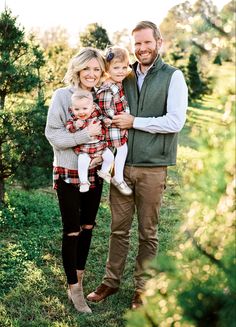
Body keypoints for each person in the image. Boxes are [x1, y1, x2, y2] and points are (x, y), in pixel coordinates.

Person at [87, 21, 188, 309]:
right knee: (118, 229)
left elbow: (175, 121)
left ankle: (142, 288)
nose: (142, 48)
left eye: (147, 42)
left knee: (148, 231)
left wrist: (135, 122)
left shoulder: (173, 77)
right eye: (137, 44)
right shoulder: (123, 73)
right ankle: (110, 281)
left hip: (153, 167)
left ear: (159, 42)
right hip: (121, 165)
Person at [45, 47, 107, 313]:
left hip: (94, 171)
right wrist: (83, 137)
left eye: (96, 69)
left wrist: (102, 156)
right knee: (72, 230)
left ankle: (79, 278)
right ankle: (74, 289)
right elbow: (54, 136)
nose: (91, 74)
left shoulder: (101, 96)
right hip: (68, 174)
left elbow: (108, 131)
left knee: (88, 226)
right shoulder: (62, 96)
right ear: (77, 69)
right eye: (87, 69)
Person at [96, 46, 132, 196]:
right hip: (113, 125)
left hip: (117, 125)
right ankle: (116, 177)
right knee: (121, 149)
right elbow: (105, 107)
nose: (121, 71)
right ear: (107, 68)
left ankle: (107, 172)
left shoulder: (117, 83)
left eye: (124, 67)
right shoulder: (107, 87)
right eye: (116, 67)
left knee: (118, 150)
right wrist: (117, 117)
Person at [66, 90, 114, 193]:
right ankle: (83, 182)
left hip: (100, 146)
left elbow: (104, 124)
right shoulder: (75, 120)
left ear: (92, 108)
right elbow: (69, 128)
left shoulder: (96, 117)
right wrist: (75, 125)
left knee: (110, 157)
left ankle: (103, 172)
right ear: (72, 109)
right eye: (77, 109)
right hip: (85, 149)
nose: (81, 112)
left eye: (84, 108)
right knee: (82, 162)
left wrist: (107, 122)